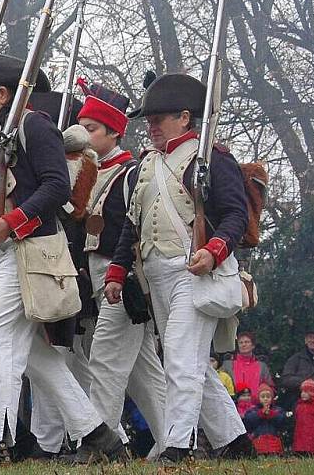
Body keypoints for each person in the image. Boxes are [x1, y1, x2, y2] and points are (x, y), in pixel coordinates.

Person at [0, 52, 126, 466]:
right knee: (39, 359)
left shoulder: (33, 126)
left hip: (29, 252)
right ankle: (98, 435)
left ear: (1, 94)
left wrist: (12, 221)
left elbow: (57, 186)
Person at [105, 72, 253, 462]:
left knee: (182, 358)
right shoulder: (145, 166)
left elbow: (236, 214)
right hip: (157, 275)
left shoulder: (211, 159)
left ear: (185, 118)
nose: (151, 126)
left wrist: (215, 250)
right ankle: (235, 442)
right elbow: (131, 225)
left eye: (160, 118)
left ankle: (178, 444)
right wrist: (118, 270)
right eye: (149, 120)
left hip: (197, 271)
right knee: (189, 364)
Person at [75, 77, 166, 452]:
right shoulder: (86, 173)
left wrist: (123, 272)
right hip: (99, 274)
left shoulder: (131, 172)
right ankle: (176, 439)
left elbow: (136, 230)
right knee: (145, 372)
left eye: (91, 129)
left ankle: (103, 444)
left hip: (123, 275)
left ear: (114, 132)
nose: (83, 135)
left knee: (106, 359)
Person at [222, 332, 272, 403]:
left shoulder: (262, 366)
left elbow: (269, 387)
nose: (243, 345)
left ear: (253, 345)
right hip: (233, 406)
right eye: (241, 343)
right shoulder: (228, 365)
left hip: (256, 407)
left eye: (247, 342)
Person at [243, 382, 286, 456]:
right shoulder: (253, 410)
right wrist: (260, 414)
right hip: (258, 438)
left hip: (273, 438)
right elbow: (249, 420)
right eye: (263, 397)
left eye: (268, 397)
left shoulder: (277, 410)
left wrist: (271, 414)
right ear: (258, 398)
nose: (265, 399)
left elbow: (281, 420)